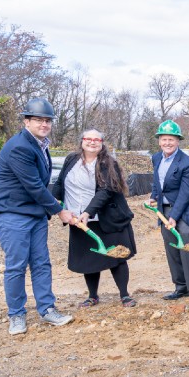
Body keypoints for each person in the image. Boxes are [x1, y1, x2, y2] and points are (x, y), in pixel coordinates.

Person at [0, 97, 75, 335]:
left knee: (41, 263)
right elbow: (34, 186)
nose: (44, 124)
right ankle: (16, 315)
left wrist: (52, 202)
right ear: (27, 121)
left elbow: (42, 184)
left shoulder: (41, 144)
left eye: (47, 120)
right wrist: (59, 211)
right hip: (11, 212)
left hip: (33, 212)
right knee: (16, 265)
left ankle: (47, 309)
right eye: (38, 120)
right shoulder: (20, 147)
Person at [52, 129, 138, 307]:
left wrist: (88, 212)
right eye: (88, 139)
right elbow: (60, 182)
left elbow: (105, 191)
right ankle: (92, 296)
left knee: (116, 257)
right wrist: (56, 202)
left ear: (102, 143)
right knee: (88, 258)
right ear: (82, 141)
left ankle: (125, 295)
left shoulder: (108, 163)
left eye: (96, 140)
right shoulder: (71, 159)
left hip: (106, 218)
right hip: (77, 219)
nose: (92, 142)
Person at [148, 120, 189, 305]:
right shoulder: (157, 158)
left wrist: (174, 217)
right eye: (164, 139)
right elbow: (159, 182)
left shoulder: (187, 163)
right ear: (159, 141)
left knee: (188, 245)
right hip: (165, 209)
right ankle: (180, 286)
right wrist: (153, 196)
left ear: (178, 141)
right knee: (172, 247)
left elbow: (186, 192)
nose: (167, 143)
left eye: (171, 139)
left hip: (187, 210)